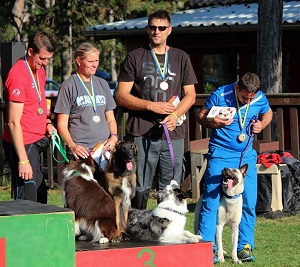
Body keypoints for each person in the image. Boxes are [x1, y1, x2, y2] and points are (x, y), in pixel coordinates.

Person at [115, 10, 197, 210]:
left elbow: (191, 94)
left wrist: (175, 114)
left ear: (169, 30)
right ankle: (135, 232)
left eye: (161, 28)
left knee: (170, 186)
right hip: (142, 133)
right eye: (152, 27)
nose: (156, 31)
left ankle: (166, 233)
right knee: (140, 186)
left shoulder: (181, 57)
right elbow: (121, 95)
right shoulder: (135, 56)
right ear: (147, 29)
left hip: (173, 132)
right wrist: (150, 105)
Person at [197, 72, 273, 263]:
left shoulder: (260, 97)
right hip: (220, 153)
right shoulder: (220, 95)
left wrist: (262, 124)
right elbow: (201, 116)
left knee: (248, 201)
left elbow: (268, 113)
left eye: (251, 98)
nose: (248, 101)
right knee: (211, 199)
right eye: (244, 97)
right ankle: (208, 247)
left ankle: (244, 246)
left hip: (245, 154)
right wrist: (213, 122)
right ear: (237, 88)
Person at [2, 32, 57, 204]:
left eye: (49, 59)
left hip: (36, 139)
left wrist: (47, 122)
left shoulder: (38, 70)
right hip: (22, 143)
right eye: (42, 58)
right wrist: (23, 160)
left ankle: (41, 231)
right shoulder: (18, 75)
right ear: (31, 51)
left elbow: (37, 104)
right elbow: (12, 122)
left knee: (40, 194)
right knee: (27, 196)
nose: (45, 63)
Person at [54, 42, 118, 163]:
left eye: (97, 61)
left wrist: (113, 137)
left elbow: (110, 118)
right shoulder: (68, 86)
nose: (95, 65)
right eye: (90, 61)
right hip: (81, 151)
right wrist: (72, 145)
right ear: (78, 60)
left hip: (104, 149)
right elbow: (62, 124)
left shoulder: (102, 84)